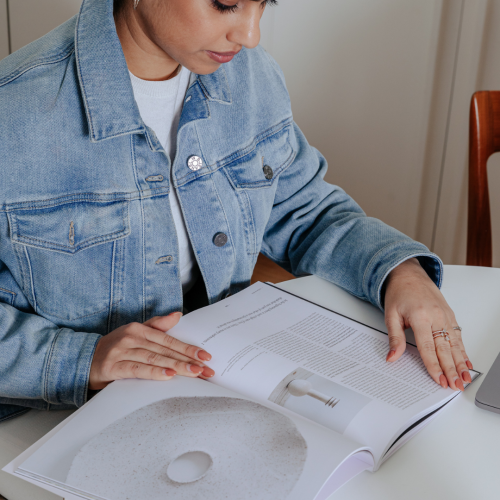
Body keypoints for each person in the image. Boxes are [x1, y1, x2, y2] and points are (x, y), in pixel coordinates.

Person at [0, 0, 473, 426]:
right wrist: (81, 359)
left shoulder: (250, 75)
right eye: (226, 4)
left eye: (264, 4)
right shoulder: (13, 114)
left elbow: (304, 210)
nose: (250, 34)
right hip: (51, 418)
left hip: (212, 391)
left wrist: (400, 272)